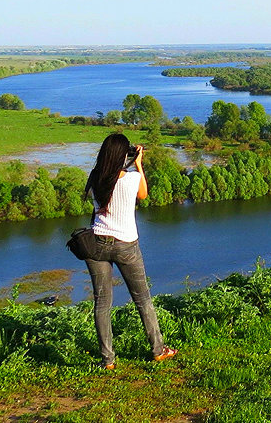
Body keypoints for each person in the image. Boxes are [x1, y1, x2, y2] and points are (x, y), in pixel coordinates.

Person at [83, 132, 177, 369]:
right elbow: (143, 195)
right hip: (126, 245)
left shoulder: (95, 177)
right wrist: (138, 164)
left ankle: (108, 360)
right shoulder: (131, 178)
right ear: (124, 155)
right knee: (143, 299)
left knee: (102, 303)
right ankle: (158, 349)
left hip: (97, 244)